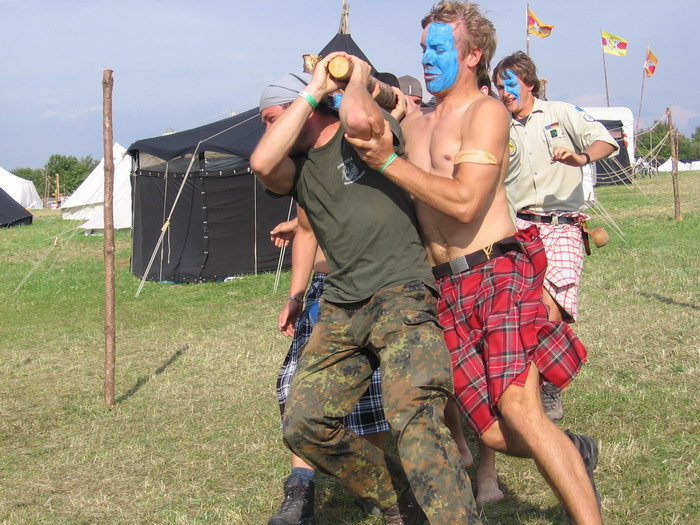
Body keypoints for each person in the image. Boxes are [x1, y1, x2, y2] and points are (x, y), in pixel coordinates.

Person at [345, 2, 602, 523]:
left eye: (439, 49)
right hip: (445, 288)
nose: (426, 58)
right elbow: (368, 108)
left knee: (520, 409)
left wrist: (388, 161)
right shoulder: (416, 117)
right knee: (492, 431)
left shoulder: (486, 112)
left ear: (472, 55)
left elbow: (464, 201)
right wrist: (354, 77)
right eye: (423, 48)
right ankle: (572, 450)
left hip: (495, 272)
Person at [250, 57, 480, 524]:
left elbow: (357, 119)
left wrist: (352, 78)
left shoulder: (367, 130)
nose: (270, 131)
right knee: (303, 423)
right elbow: (261, 161)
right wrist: (312, 91)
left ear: (306, 109)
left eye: (273, 119)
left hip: (401, 291)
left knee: (414, 416)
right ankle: (401, 498)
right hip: (341, 305)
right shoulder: (296, 171)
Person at [492, 51, 618, 421]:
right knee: (528, 309)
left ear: (529, 83)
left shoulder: (560, 113)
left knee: (553, 311)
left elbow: (605, 141)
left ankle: (549, 385)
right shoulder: (499, 126)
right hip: (519, 228)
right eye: (499, 86)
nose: (504, 92)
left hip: (563, 226)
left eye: (510, 84)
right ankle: (528, 385)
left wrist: (580, 158)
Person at [267, 210, 388, 525]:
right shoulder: (312, 177)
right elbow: (313, 219)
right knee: (297, 384)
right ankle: (300, 491)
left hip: (376, 281)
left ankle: (371, 481)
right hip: (326, 285)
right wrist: (295, 296)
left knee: (371, 390)